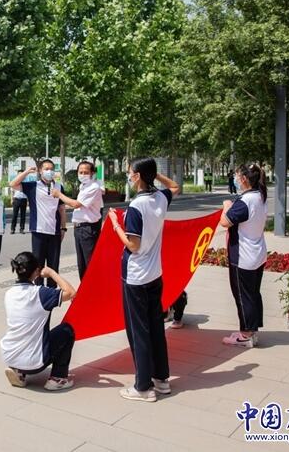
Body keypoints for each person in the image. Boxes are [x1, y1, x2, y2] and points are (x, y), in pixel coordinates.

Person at [108, 157, 180, 402]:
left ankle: (142, 386)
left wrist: (116, 225)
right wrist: (154, 174)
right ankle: (161, 379)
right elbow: (174, 187)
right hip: (154, 274)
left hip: (136, 276)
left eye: (130, 172)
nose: (129, 175)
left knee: (139, 331)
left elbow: (133, 245)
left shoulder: (136, 207)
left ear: (137, 176)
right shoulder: (160, 198)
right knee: (156, 328)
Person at [0, 252, 76, 391]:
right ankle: (58, 379)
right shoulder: (40, 293)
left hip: (9, 355)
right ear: (36, 272)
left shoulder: (9, 293)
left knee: (27, 330)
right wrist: (52, 273)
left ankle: (19, 372)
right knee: (66, 330)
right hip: (34, 362)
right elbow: (71, 292)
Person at [219, 163, 268, 348]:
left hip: (243, 257)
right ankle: (252, 330)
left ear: (245, 179)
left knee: (242, 296)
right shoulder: (260, 196)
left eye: (238, 176)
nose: (236, 179)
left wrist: (226, 206)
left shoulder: (245, 201)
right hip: (257, 254)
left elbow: (225, 221)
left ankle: (246, 335)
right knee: (253, 294)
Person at [9, 160, 67, 287]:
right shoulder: (33, 186)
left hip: (54, 232)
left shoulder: (59, 187)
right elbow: (13, 184)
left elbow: (62, 209)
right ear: (40, 171)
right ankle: (38, 290)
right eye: (46, 169)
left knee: (53, 265)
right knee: (37, 265)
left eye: (51, 169)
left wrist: (63, 228)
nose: (49, 171)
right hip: (38, 232)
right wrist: (27, 172)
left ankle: (51, 291)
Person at [53, 161, 103, 280]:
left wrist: (59, 195)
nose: (83, 175)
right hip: (79, 228)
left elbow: (76, 204)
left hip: (88, 229)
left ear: (92, 173)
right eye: (80, 172)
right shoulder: (83, 186)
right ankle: (84, 289)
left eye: (86, 172)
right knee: (82, 264)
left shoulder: (93, 187)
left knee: (90, 263)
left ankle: (92, 288)